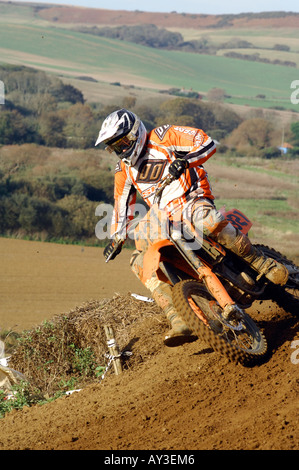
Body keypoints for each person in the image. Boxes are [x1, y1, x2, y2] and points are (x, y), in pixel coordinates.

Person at [95, 109, 288, 346]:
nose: (121, 149)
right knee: (139, 262)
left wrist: (184, 160)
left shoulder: (163, 136)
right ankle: (179, 317)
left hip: (192, 197)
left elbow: (205, 142)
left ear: (135, 132)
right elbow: (121, 205)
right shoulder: (123, 170)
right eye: (115, 146)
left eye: (123, 142)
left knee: (206, 221)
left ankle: (261, 262)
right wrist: (117, 237)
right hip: (165, 216)